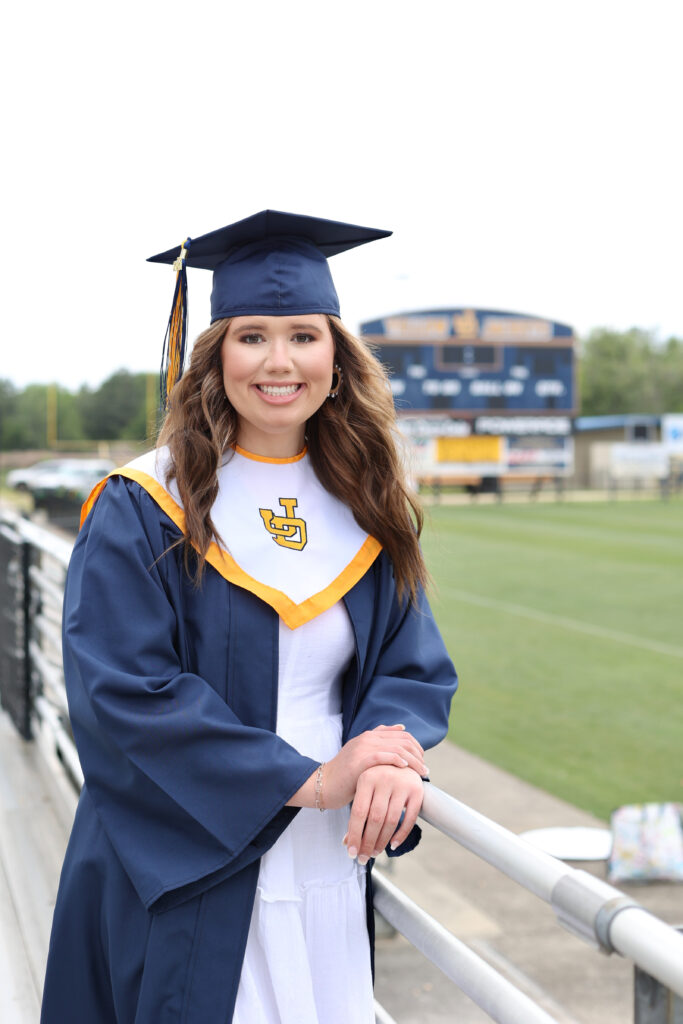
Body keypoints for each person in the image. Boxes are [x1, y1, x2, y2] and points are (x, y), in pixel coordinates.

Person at [41, 210, 458, 1024]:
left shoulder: (365, 505)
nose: (279, 362)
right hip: (189, 851)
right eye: (251, 337)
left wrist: (386, 758)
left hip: (326, 854)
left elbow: (409, 667)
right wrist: (307, 779)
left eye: (303, 335)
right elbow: (122, 694)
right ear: (214, 355)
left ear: (336, 356)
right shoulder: (146, 503)